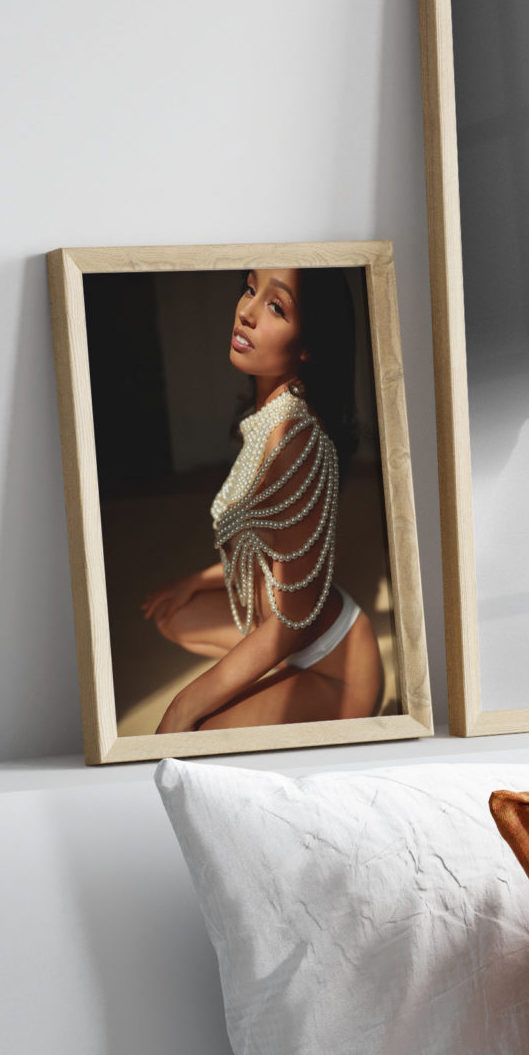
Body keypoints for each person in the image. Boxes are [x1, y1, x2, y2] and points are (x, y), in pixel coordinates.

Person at [140, 267, 385, 728]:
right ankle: (270, 677)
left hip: (334, 666)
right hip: (285, 619)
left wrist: (183, 705)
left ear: (308, 344)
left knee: (199, 732)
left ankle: (289, 685)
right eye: (250, 289)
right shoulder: (268, 417)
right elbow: (266, 549)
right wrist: (197, 579)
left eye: (276, 307)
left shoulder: (295, 439)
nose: (246, 312)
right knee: (176, 615)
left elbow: (292, 625)